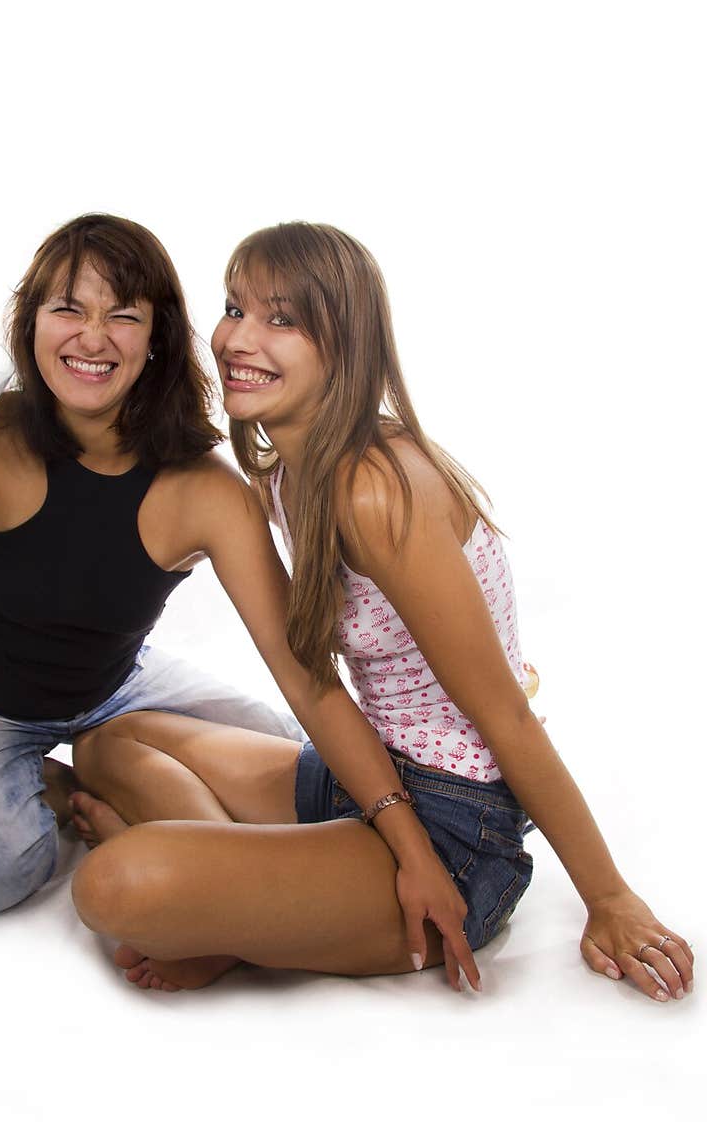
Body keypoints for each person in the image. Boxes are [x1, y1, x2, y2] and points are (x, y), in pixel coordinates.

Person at [0, 213, 478, 991]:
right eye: (68, 309)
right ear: (32, 326)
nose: (92, 336)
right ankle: (55, 780)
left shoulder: (207, 487)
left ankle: (106, 764)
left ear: (157, 339)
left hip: (117, 686)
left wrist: (403, 833)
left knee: (305, 771)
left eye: (123, 314)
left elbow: (303, 675)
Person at [69, 222, 694, 1004]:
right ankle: (245, 907)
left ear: (347, 345)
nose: (238, 338)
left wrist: (609, 899)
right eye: (235, 308)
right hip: (373, 779)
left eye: (283, 319)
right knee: (107, 744)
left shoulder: (374, 490)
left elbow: (507, 715)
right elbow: (311, 678)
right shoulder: (288, 472)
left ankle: (230, 917)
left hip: (458, 834)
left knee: (113, 886)